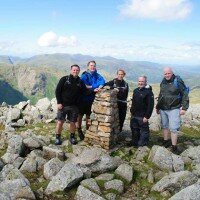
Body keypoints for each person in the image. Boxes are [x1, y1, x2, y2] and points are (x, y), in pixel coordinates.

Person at [156, 67, 189, 153]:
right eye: (165, 73)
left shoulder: (177, 81)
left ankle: (174, 146)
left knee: (174, 128)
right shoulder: (163, 81)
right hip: (163, 108)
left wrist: (184, 107)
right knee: (165, 126)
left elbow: (185, 93)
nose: (167, 75)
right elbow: (161, 95)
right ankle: (166, 141)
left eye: (168, 73)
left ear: (172, 73)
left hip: (174, 108)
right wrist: (158, 106)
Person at [55, 64, 85, 145]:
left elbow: (85, 91)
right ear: (71, 70)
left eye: (77, 70)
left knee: (73, 122)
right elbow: (58, 91)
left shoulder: (80, 81)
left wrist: (95, 89)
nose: (75, 71)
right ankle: (57, 137)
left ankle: (72, 136)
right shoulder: (64, 79)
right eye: (74, 70)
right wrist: (59, 102)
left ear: (79, 71)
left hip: (74, 106)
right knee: (60, 121)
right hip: (63, 105)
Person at [77, 60, 105, 138]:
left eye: (94, 66)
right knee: (80, 115)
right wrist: (94, 87)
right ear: (88, 67)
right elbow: (84, 86)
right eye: (91, 65)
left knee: (88, 115)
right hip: (82, 98)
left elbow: (102, 80)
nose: (92, 67)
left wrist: (99, 85)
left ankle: (88, 130)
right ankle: (79, 130)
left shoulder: (96, 75)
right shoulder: (84, 75)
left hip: (90, 99)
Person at [130, 76, 154, 147]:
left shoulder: (149, 92)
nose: (140, 83)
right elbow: (133, 102)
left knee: (144, 132)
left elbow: (150, 105)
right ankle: (135, 143)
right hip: (134, 115)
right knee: (134, 130)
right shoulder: (135, 90)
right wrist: (132, 111)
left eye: (142, 81)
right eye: (139, 81)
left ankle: (142, 145)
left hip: (142, 116)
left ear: (145, 82)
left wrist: (147, 116)